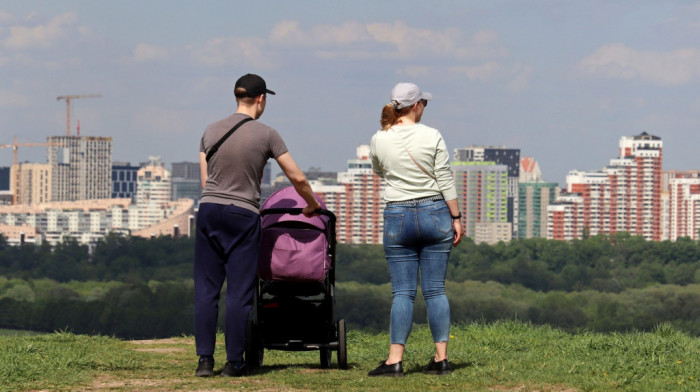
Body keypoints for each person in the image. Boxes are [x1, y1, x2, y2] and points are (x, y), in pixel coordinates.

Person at [194, 73, 321, 378]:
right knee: (239, 291)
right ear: (261, 99)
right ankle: (233, 362)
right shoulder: (267, 134)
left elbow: (205, 181)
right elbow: (298, 177)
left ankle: (204, 361)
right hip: (242, 215)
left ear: (237, 97)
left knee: (206, 290)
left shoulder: (210, 131)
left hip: (209, 210)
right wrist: (312, 204)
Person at [367, 82, 464, 377]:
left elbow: (379, 169)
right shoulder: (432, 135)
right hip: (435, 211)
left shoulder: (379, 138)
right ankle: (441, 358)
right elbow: (444, 178)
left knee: (403, 293)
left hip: (398, 215)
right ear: (416, 105)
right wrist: (456, 217)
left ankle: (395, 360)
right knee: (435, 290)